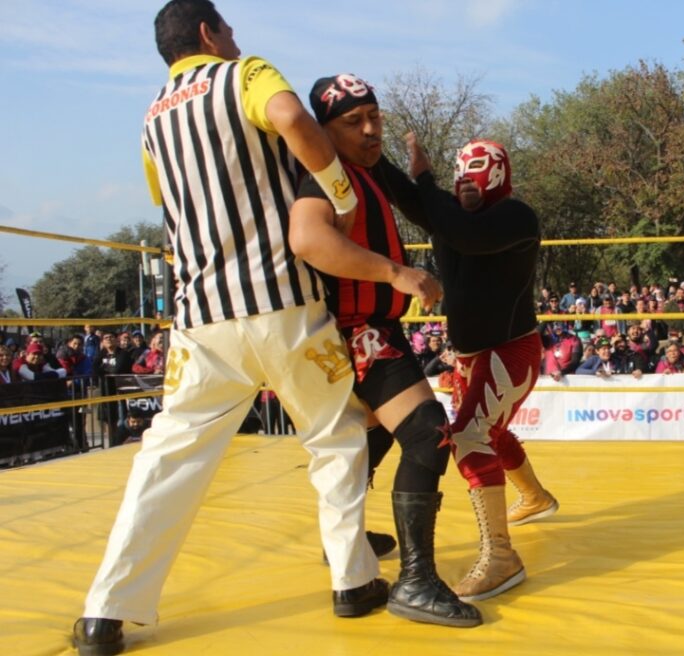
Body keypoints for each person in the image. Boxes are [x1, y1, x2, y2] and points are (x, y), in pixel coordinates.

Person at [73, 3, 432, 652]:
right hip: (283, 303)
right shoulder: (243, 75)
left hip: (201, 319)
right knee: (335, 438)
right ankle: (352, 580)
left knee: (167, 463)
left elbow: (169, 205)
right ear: (208, 34)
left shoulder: (151, 119)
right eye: (229, 30)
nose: (237, 39)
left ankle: (105, 612)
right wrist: (339, 190)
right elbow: (291, 117)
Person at [288, 73, 479, 627]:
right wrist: (396, 273)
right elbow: (308, 238)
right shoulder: (324, 174)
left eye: (375, 117)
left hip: (374, 326)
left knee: (373, 431)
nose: (371, 130)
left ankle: (343, 539)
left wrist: (423, 176)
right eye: (354, 122)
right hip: (356, 328)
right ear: (324, 130)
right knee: (425, 432)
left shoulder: (368, 168)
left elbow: (422, 207)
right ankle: (416, 582)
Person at [404, 133, 558, 602]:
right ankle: (536, 498)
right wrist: (366, 159)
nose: (465, 181)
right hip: (472, 355)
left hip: (509, 351)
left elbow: (464, 232)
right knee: (490, 432)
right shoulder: (450, 217)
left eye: (476, 172)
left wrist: (424, 178)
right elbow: (420, 204)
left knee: (471, 436)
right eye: (460, 173)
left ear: (497, 174)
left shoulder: (514, 216)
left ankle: (501, 558)